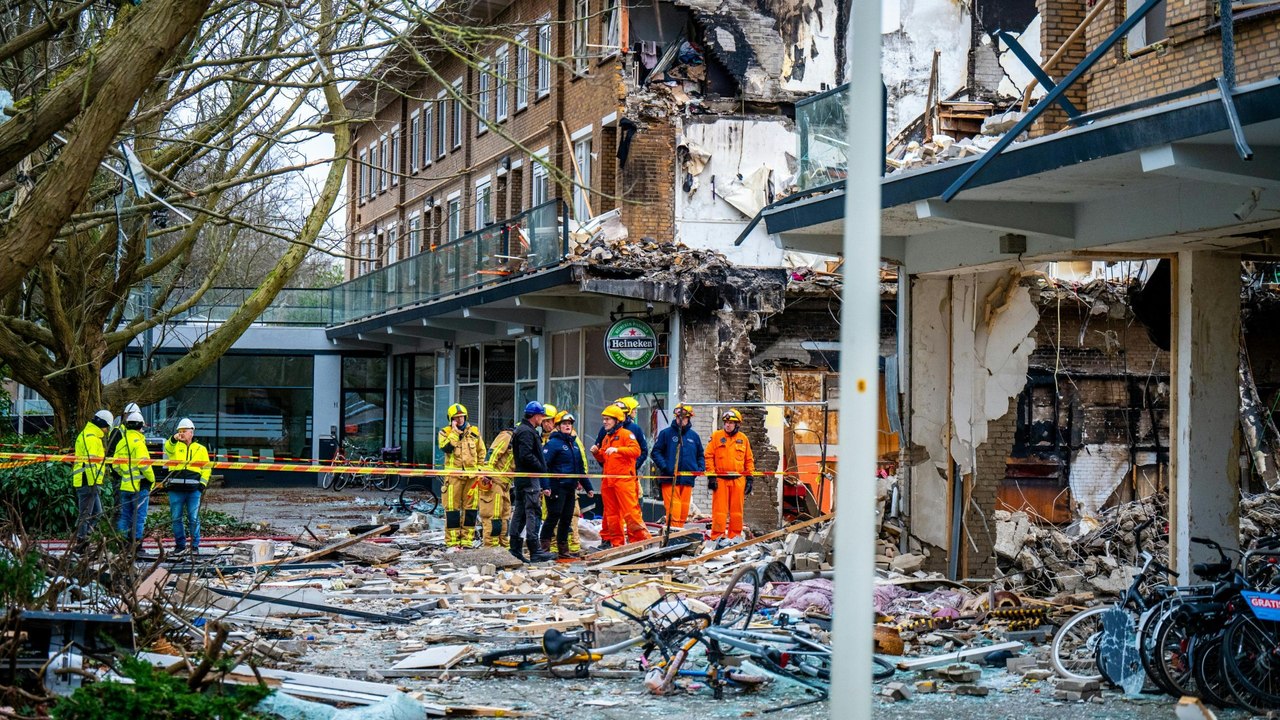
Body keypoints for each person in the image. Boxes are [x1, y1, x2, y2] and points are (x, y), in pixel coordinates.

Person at [593, 404, 650, 547]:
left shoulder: (626, 434)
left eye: (607, 419)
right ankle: (617, 544)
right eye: (603, 419)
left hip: (624, 481)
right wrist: (597, 453)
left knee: (631, 513)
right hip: (609, 481)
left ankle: (640, 542)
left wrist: (618, 449)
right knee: (611, 515)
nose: (604, 422)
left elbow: (636, 451)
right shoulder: (606, 438)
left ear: (617, 420)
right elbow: (605, 458)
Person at [540, 412, 593, 558]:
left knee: (566, 518)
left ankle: (563, 551)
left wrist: (588, 487)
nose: (567, 426)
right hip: (556, 487)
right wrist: (545, 486)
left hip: (570, 488)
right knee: (553, 516)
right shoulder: (553, 444)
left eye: (569, 424)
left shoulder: (574, 445)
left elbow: (580, 469)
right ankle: (543, 549)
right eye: (564, 424)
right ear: (557, 427)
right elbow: (544, 466)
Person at [509, 401, 555, 563]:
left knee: (521, 513)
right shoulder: (527, 432)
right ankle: (535, 550)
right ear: (535, 416)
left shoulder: (523, 430)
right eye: (541, 416)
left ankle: (515, 549)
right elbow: (526, 455)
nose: (542, 419)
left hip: (523, 478)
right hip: (529, 479)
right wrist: (541, 467)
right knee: (533, 511)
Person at [438, 404, 485, 551]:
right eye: (456, 418)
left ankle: (467, 541)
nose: (459, 419)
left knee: (470, 510)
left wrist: (479, 470)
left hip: (471, 478)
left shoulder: (474, 432)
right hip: (453, 478)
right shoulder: (445, 432)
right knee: (452, 509)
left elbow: (481, 452)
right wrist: (455, 432)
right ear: (451, 420)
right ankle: (452, 542)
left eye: (461, 417)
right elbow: (445, 448)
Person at [705, 408, 756, 544]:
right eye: (726, 422)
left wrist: (750, 478)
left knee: (736, 512)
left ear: (737, 424)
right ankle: (717, 537)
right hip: (720, 480)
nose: (727, 425)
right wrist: (711, 476)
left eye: (731, 423)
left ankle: (735, 538)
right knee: (719, 512)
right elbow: (709, 456)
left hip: (738, 480)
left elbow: (749, 460)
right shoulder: (716, 437)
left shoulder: (743, 439)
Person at [651, 404, 704, 530]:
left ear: (689, 418)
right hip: (670, 480)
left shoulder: (694, 437)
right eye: (679, 417)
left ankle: (677, 534)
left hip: (687, 481)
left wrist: (699, 469)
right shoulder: (666, 434)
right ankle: (673, 536)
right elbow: (655, 452)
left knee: (683, 512)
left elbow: (700, 455)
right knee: (674, 511)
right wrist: (665, 467)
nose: (681, 420)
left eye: (684, 418)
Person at [164, 417, 211, 555]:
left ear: (192, 432)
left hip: (193, 490)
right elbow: (168, 446)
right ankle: (180, 545)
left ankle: (194, 547)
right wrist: (174, 438)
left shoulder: (200, 449)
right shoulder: (174, 446)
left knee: (194, 518)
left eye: (185, 431)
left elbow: (207, 468)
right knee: (176, 518)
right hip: (176, 489)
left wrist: (202, 484)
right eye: (180, 431)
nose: (182, 433)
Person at [72, 409, 113, 547]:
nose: (108, 430)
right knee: (86, 514)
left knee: (97, 513)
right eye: (107, 427)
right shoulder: (91, 438)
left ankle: (85, 537)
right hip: (88, 481)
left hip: (89, 481)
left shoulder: (90, 435)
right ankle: (81, 541)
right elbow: (90, 463)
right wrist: (94, 483)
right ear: (102, 424)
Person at [114, 410, 155, 547]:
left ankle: (122, 544)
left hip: (125, 485)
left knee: (125, 516)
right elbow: (145, 465)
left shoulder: (122, 442)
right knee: (139, 517)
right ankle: (136, 545)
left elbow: (115, 465)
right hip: (139, 486)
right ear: (140, 426)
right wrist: (151, 479)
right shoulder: (139, 443)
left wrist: (125, 474)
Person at [477, 425, 516, 548]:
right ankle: (491, 548)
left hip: (505, 484)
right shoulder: (507, 436)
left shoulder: (519, 442)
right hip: (495, 482)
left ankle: (504, 547)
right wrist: (487, 474)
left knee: (504, 517)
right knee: (493, 516)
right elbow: (493, 453)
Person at [104, 401, 140, 494]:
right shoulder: (118, 431)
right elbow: (111, 454)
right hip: (120, 477)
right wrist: (118, 472)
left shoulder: (134, 433)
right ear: (125, 415)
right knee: (120, 505)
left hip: (133, 476)